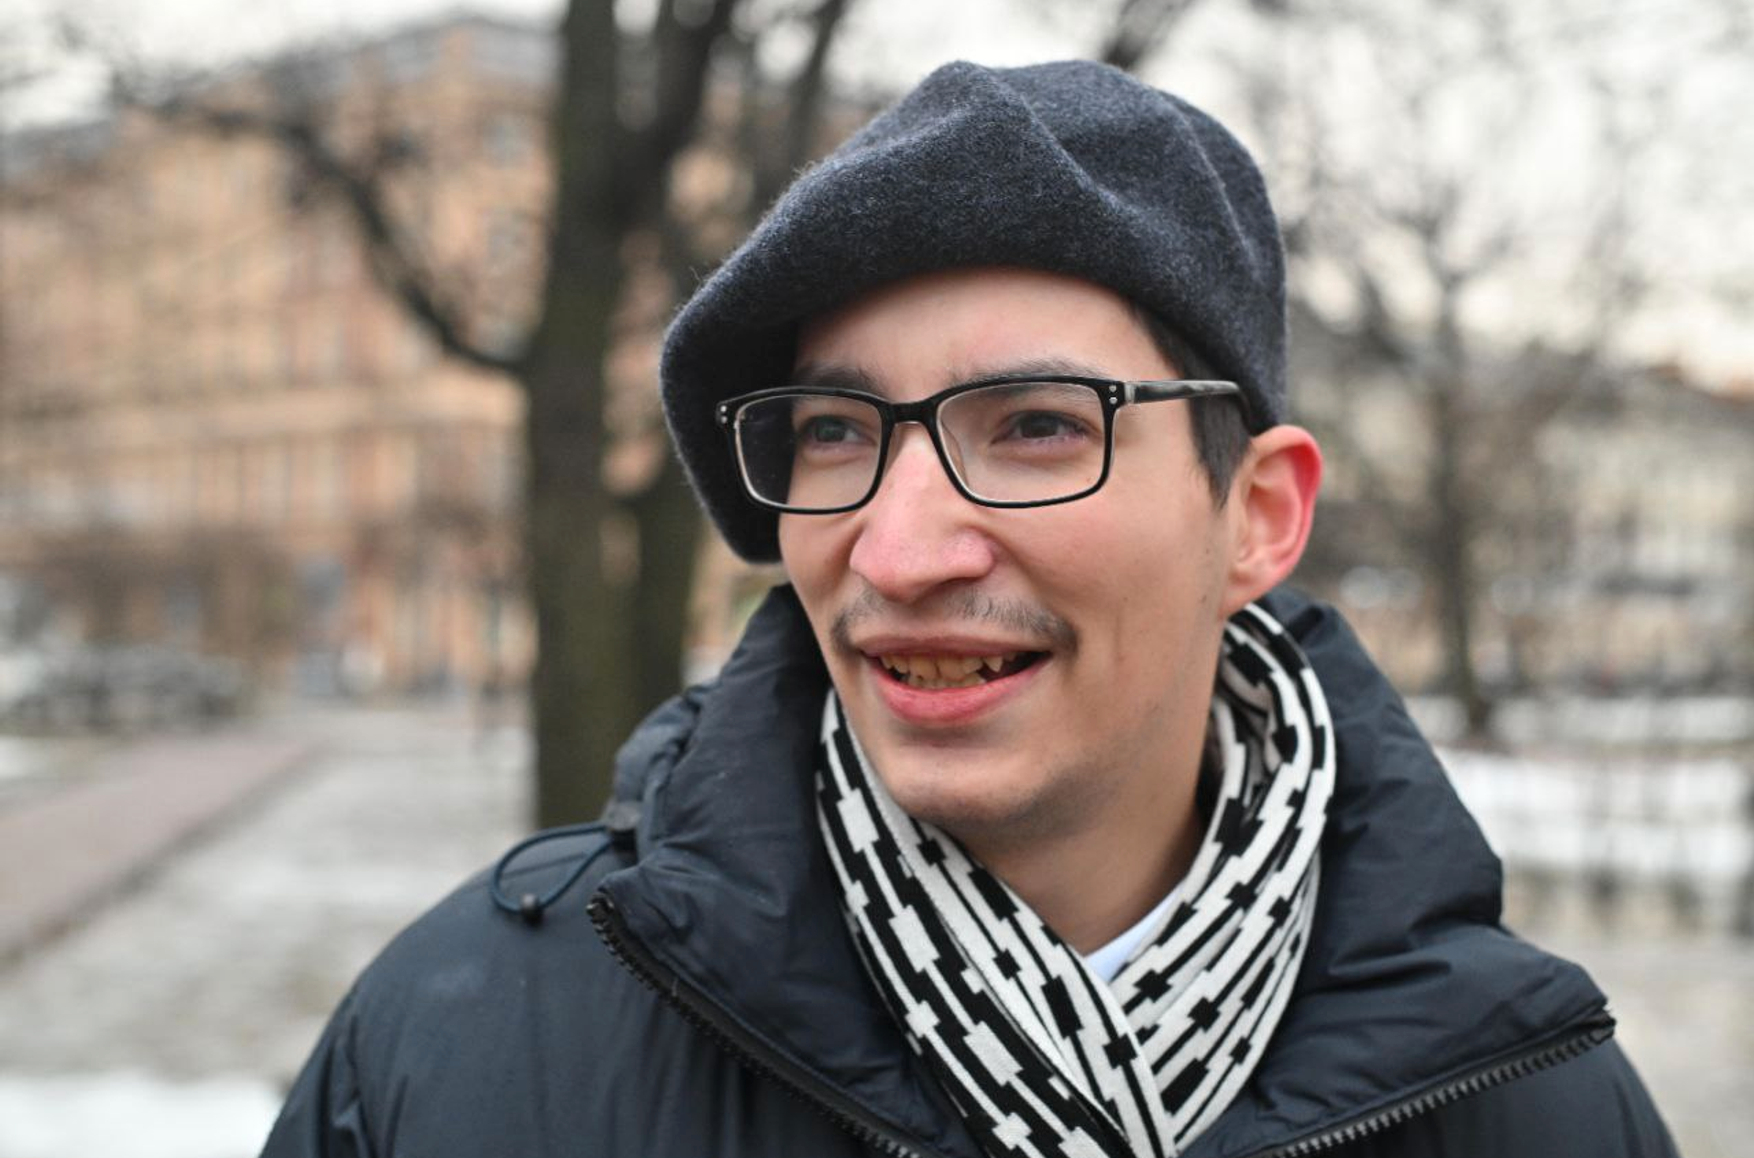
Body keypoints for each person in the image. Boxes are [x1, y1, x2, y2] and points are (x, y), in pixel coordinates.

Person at [261, 60, 1676, 1157]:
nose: (897, 550)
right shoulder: (468, 1056)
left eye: (1038, 425)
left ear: (1256, 515)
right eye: (833, 432)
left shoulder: (1532, 1100)